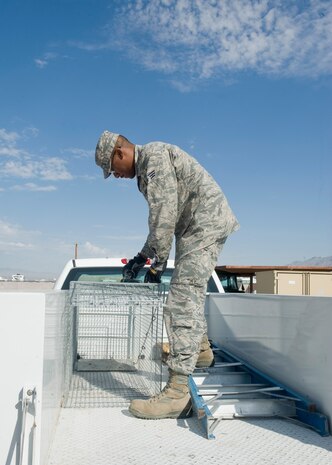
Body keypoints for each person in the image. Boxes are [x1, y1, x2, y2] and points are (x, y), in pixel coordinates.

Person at [95, 130, 239, 420]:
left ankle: (176, 392)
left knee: (181, 297)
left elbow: (164, 217)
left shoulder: (155, 159)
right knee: (188, 291)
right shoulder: (147, 169)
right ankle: (199, 350)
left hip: (204, 225)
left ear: (120, 153)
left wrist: (157, 264)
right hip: (195, 228)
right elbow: (160, 223)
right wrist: (143, 256)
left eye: (113, 169)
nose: (117, 177)